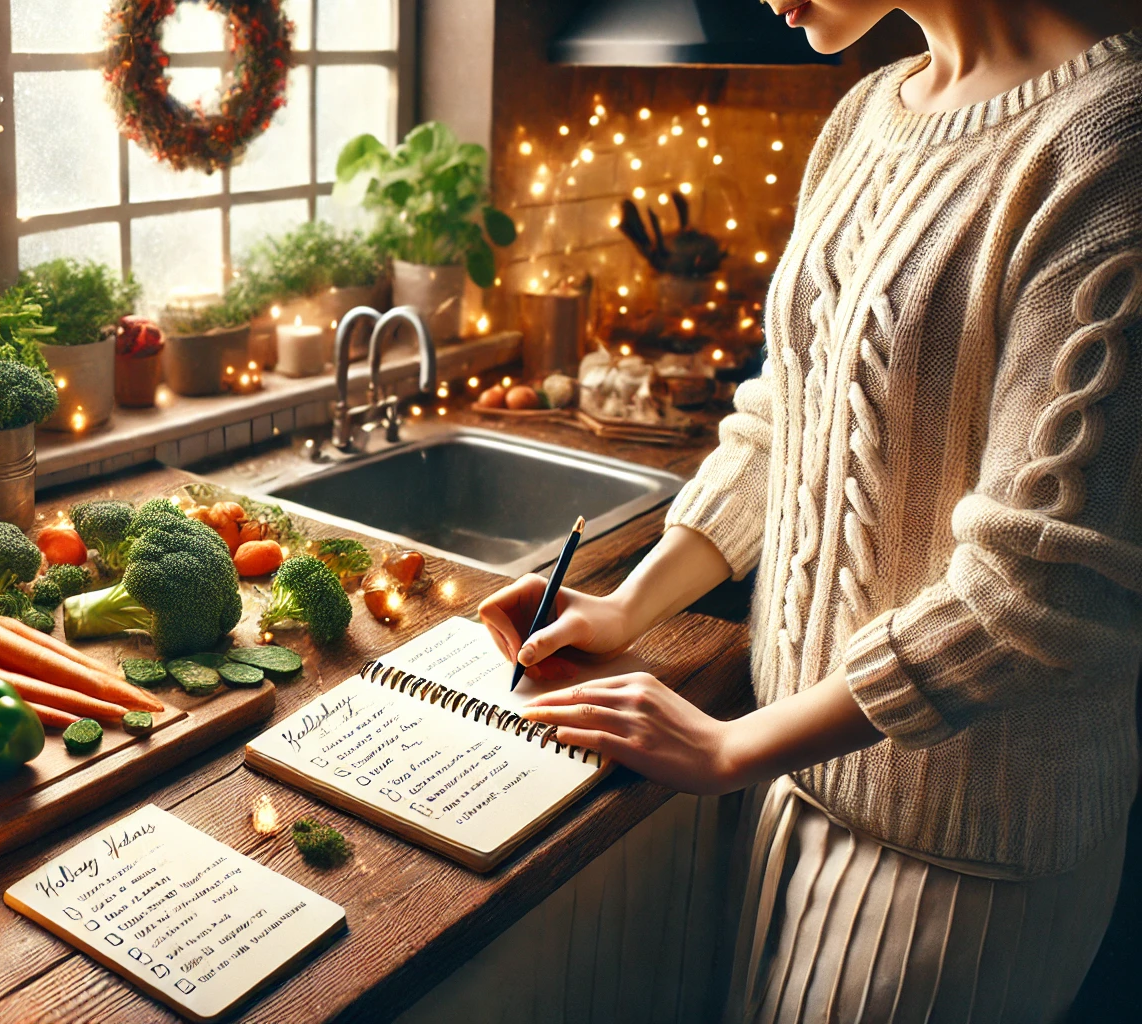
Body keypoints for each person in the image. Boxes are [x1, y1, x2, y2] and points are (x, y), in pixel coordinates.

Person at [479, 2, 1141, 1020]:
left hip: (961, 851)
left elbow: (1036, 586)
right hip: (795, 779)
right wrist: (629, 607)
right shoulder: (867, 112)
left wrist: (730, 747)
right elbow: (786, 416)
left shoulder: (1108, 145)